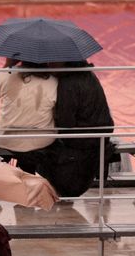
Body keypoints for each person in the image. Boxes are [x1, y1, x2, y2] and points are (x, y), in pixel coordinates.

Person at [45, 59, 115, 197]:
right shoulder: (89, 75)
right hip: (101, 134)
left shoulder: (68, 83)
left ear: (64, 63)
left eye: (52, 62)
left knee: (39, 148)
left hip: (82, 139)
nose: (48, 65)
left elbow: (66, 124)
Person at [0, 59, 57, 174]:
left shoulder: (7, 74)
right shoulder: (54, 81)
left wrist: (7, 65)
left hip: (5, 139)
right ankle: (28, 172)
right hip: (41, 140)